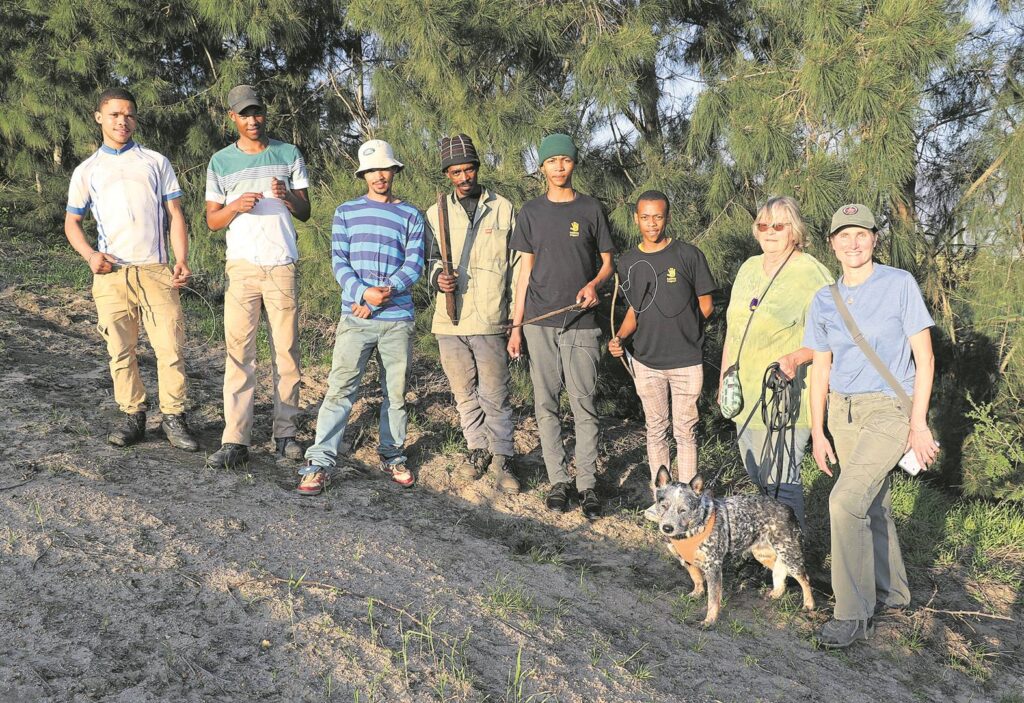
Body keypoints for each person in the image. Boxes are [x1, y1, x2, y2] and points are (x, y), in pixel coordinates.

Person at [806, 204, 938, 648]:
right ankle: (894, 592)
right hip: (842, 413)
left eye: (861, 234)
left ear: (875, 238)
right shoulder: (824, 299)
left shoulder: (899, 284)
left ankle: (851, 615)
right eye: (843, 235)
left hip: (888, 410)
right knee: (872, 500)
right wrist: (818, 430)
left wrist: (918, 423)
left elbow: (925, 357)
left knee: (845, 501)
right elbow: (820, 369)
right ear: (832, 244)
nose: (853, 243)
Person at [64, 87, 198, 452]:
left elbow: (175, 214)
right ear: (99, 117)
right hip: (111, 274)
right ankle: (133, 415)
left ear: (135, 119)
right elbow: (72, 223)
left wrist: (181, 258)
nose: (122, 121)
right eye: (114, 115)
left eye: (129, 115)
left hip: (155, 270)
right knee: (121, 350)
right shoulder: (87, 170)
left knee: (169, 347)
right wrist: (91, 256)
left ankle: (174, 416)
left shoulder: (155, 161)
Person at [297, 139, 425, 495]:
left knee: (395, 393)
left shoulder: (411, 215)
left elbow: (414, 264)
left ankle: (392, 453)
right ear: (363, 174)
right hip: (355, 317)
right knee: (340, 390)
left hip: (397, 317)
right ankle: (319, 461)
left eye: (385, 168)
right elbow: (340, 261)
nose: (379, 175)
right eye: (372, 170)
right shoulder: (346, 212)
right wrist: (361, 294)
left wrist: (380, 295)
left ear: (394, 171)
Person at [508, 133, 615, 519]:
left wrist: (593, 284)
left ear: (574, 165)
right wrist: (517, 327)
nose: (559, 167)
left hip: (583, 323)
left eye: (565, 161)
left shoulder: (591, 209)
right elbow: (524, 273)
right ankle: (558, 480)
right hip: (540, 323)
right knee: (546, 403)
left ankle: (586, 484)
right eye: (551, 162)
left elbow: (607, 263)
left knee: (584, 404)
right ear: (541, 167)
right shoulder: (531, 212)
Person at [205, 85, 311, 469]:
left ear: (265, 114)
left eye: (258, 112)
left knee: (287, 354)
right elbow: (212, 220)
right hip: (243, 268)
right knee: (239, 355)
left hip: (282, 265)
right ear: (232, 117)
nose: (253, 120)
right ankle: (236, 440)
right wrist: (234, 205)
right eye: (244, 114)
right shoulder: (220, 162)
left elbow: (305, 212)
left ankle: (286, 435)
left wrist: (287, 197)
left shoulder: (288, 154)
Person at [719, 196, 833, 528]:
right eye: (763, 225)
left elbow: (834, 335)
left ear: (794, 231)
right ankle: (771, 555)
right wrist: (724, 379)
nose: (770, 232)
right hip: (745, 394)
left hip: (784, 397)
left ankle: (792, 557)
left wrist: (798, 357)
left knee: (782, 483)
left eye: (779, 225)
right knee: (759, 476)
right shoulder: (748, 268)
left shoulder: (811, 273)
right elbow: (733, 328)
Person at [426, 134, 521, 493]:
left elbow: (516, 268)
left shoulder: (503, 208)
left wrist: (514, 319)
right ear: (447, 175)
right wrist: (439, 279)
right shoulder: (435, 212)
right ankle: (476, 449)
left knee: (495, 393)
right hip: (449, 321)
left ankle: (502, 458)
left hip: (491, 317)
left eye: (468, 169)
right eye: (455, 172)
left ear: (477, 169)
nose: (463, 177)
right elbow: (430, 259)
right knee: (464, 392)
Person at [609, 191, 716, 492]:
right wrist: (620, 337)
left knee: (685, 432)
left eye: (658, 217)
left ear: (667, 217)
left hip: (686, 360)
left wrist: (682, 330)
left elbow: (706, 305)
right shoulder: (628, 261)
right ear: (636, 219)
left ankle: (687, 498)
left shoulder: (688, 255)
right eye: (645, 217)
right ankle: (661, 499)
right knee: (656, 430)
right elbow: (634, 311)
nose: (652, 224)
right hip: (646, 361)